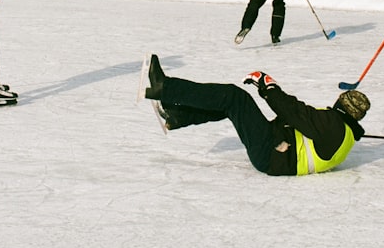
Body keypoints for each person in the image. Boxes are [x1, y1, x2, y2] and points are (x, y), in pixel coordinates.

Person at [141, 55, 369, 176]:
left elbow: (294, 112)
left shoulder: (334, 126)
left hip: (272, 154)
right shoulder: (344, 134)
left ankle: (165, 88)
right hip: (277, 149)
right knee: (232, 107)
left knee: (234, 97)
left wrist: (268, 86)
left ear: (342, 104)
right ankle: (176, 116)